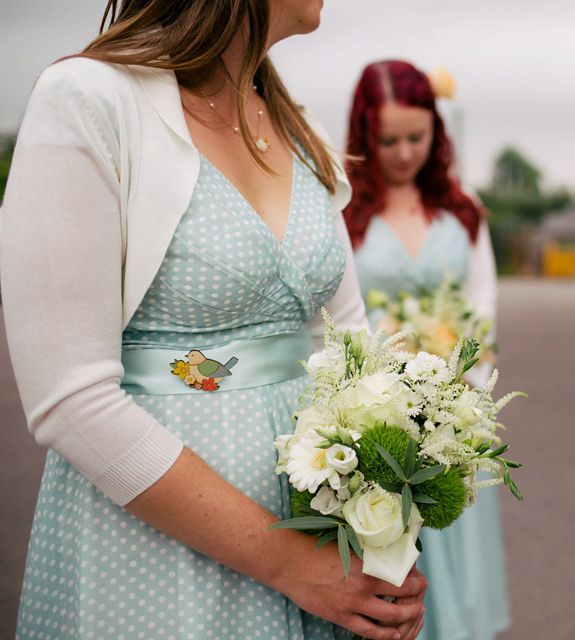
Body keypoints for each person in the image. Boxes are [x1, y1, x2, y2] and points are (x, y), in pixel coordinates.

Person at [0, 2, 428, 639]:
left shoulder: (296, 125)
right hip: (160, 551)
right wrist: (289, 563)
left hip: (322, 535)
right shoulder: (89, 99)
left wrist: (396, 498)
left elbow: (347, 344)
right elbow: (70, 398)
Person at [343, 60, 509, 640]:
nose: (404, 152)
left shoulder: (463, 209)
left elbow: (481, 308)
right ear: (364, 134)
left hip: (454, 411)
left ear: (436, 132)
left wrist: (463, 392)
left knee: (451, 555)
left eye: (417, 137)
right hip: (376, 409)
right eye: (388, 140)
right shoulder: (344, 211)